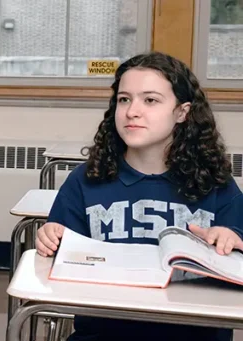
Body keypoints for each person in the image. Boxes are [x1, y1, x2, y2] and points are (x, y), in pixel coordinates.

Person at [35, 52, 242, 341]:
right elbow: (60, 262)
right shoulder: (85, 180)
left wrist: (231, 240)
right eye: (124, 99)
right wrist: (51, 238)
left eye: (151, 100)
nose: (132, 111)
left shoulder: (216, 184)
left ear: (182, 112)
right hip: (105, 333)